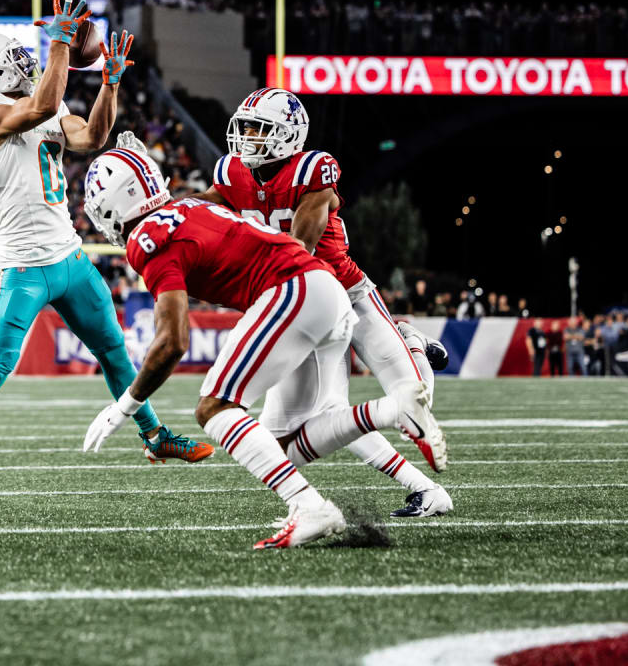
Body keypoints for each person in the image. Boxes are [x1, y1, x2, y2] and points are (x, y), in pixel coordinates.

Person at [0, 0, 211, 510]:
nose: (24, 66)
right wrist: (57, 43)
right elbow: (44, 106)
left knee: (114, 353)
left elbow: (94, 135)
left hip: (70, 258)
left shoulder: (38, 101)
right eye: (11, 62)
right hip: (24, 266)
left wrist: (110, 82)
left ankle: (156, 437)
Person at [79, 149, 451, 549]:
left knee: (215, 407)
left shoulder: (148, 240)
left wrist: (126, 406)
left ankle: (316, 501)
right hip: (322, 291)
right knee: (280, 447)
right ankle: (387, 415)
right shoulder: (186, 207)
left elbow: (173, 342)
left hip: (294, 289)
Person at [196, 87, 448, 469]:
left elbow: (300, 245)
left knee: (414, 400)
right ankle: (415, 485)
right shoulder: (232, 172)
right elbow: (195, 211)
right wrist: (155, 208)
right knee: (309, 421)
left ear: (288, 133)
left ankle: (410, 342)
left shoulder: (312, 170)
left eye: (259, 129)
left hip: (345, 291)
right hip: (303, 305)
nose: (247, 137)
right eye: (245, 128)